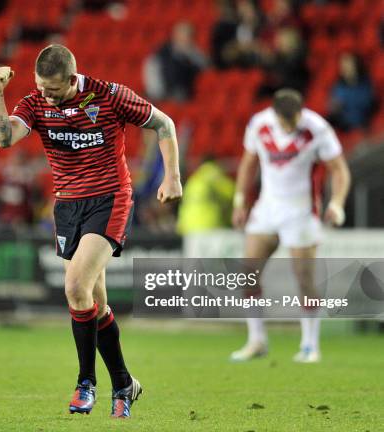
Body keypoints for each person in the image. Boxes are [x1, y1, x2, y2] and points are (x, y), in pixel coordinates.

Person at [0, 44, 182, 418]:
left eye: (55, 89)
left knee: (75, 287)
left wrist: (172, 176)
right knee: (95, 305)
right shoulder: (34, 103)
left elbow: (164, 125)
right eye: (42, 87)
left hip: (109, 198)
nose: (48, 95)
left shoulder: (110, 96)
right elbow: (3, 138)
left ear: (72, 77)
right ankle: (124, 383)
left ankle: (86, 383)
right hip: (66, 206)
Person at [231, 88, 350, 363]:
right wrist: (239, 201)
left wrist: (337, 203)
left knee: (305, 280)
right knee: (246, 274)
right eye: (286, 122)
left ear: (301, 112)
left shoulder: (317, 128)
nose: (291, 126)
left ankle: (309, 346)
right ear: (275, 115)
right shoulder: (259, 124)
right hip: (268, 208)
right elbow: (249, 163)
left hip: (301, 211)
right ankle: (257, 340)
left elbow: (339, 169)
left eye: (295, 120)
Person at [143, 21, 208, 103]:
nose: (185, 39)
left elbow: (204, 68)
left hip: (186, 95)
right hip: (163, 94)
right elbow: (152, 70)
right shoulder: (161, 53)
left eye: (188, 36)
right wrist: (158, 93)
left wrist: (189, 55)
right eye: (182, 35)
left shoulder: (195, 53)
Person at [328, 52, 376, 131]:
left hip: (366, 126)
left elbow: (369, 104)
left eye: (348, 64)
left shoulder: (366, 83)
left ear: (355, 65)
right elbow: (334, 112)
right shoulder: (337, 88)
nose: (345, 68)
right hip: (346, 129)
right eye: (342, 65)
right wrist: (335, 109)